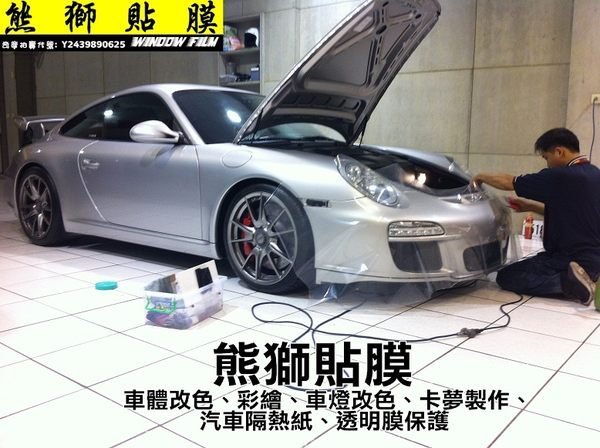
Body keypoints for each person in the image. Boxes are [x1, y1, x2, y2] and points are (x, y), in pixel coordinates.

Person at [473, 127, 600, 305]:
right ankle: (586, 276)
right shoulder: (594, 173)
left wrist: (480, 177)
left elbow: (509, 182)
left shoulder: (561, 176)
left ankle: (570, 284)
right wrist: (530, 206)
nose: (547, 164)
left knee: (507, 276)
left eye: (546, 157)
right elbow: (574, 212)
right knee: (532, 263)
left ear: (559, 152)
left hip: (571, 258)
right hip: (594, 258)